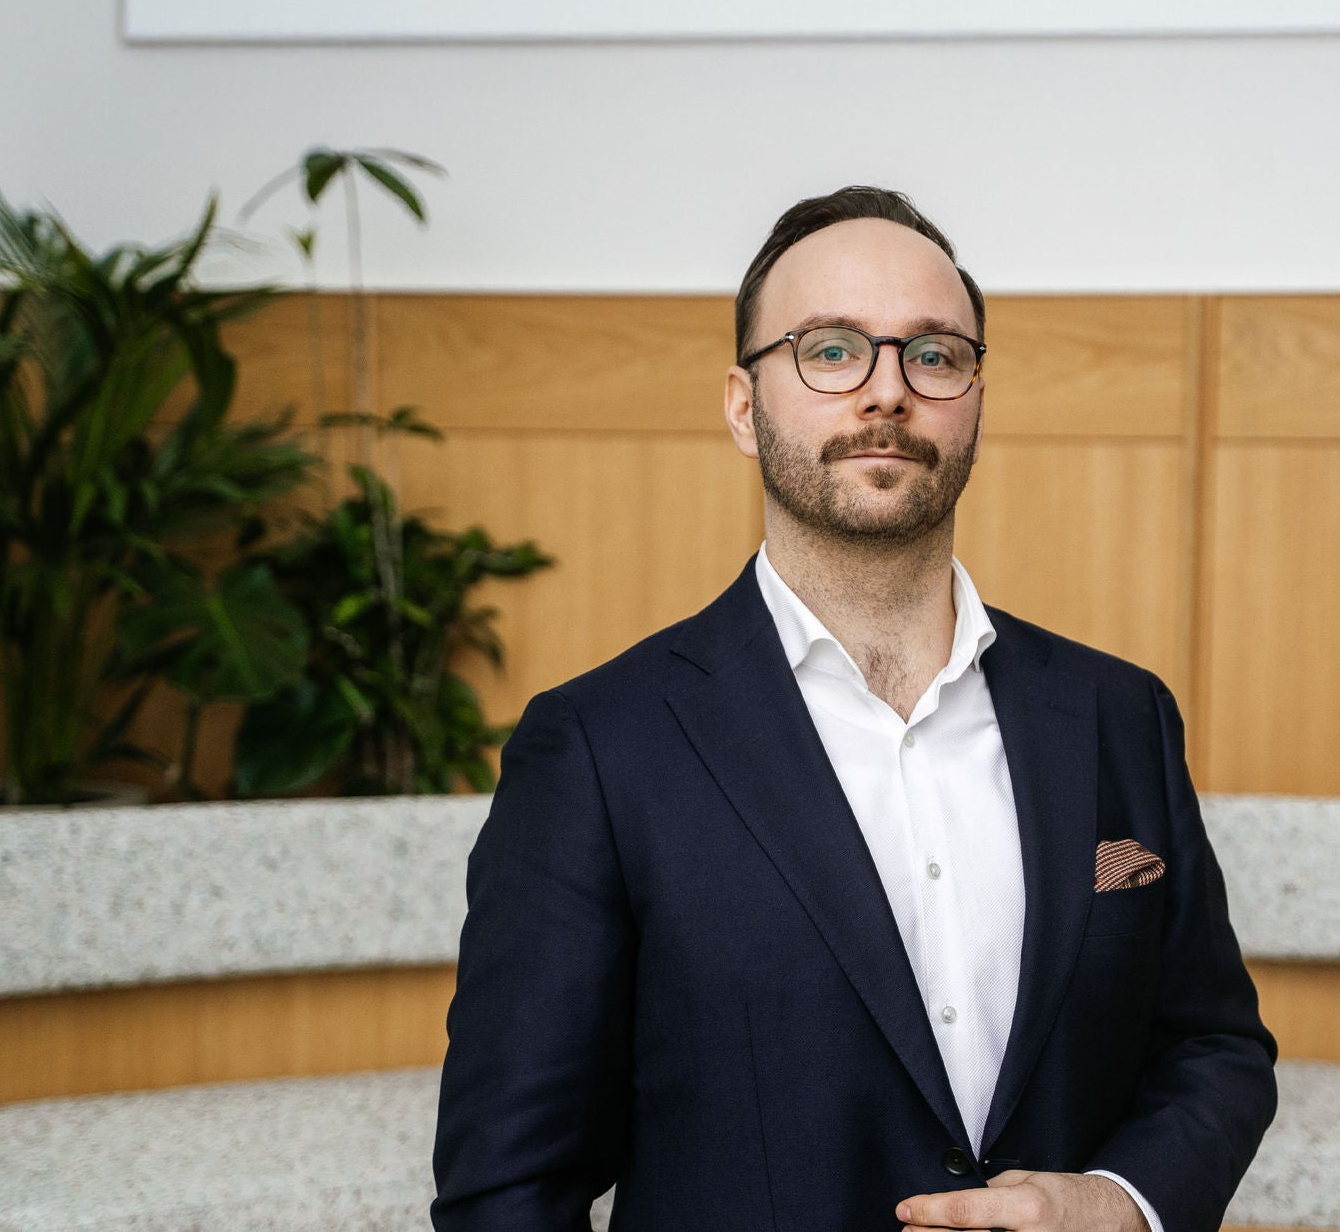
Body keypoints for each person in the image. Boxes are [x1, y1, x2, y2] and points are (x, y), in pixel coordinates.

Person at [431, 186, 1278, 1231]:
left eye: (932, 354)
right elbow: (507, 1186)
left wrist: (1119, 1203)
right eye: (830, 351)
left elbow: (1211, 1045)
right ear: (743, 406)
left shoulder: (1119, 715)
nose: (887, 392)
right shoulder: (598, 749)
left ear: (975, 400)